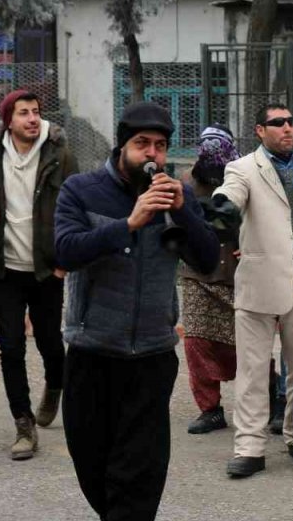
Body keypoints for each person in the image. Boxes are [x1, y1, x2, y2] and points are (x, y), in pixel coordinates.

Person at [53, 102, 219, 520]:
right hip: (92, 353)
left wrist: (183, 211)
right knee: (95, 471)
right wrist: (128, 222)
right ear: (122, 146)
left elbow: (208, 261)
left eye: (160, 146)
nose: (152, 155)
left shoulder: (175, 197)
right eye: (142, 144)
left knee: (139, 480)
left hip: (151, 357)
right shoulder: (82, 189)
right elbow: (65, 251)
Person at [212, 102, 293, 478]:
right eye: (278, 123)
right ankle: (250, 447)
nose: (288, 128)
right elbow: (231, 193)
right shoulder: (242, 168)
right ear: (260, 131)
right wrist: (222, 208)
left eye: (292, 121)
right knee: (253, 370)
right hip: (260, 282)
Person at [0, 89, 77, 460]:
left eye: (35, 112)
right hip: (6, 268)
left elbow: (76, 205)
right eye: (23, 113)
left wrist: (66, 258)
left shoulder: (59, 155)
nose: (32, 119)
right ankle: (23, 423)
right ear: (8, 121)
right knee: (11, 347)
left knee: (50, 341)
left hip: (47, 267)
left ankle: (55, 383)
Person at [180, 125, 242, 435]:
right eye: (206, 148)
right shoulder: (188, 187)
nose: (211, 155)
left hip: (235, 275)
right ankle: (210, 408)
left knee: (243, 344)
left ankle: (266, 398)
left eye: (218, 148)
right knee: (196, 342)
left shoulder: (242, 180)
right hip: (197, 274)